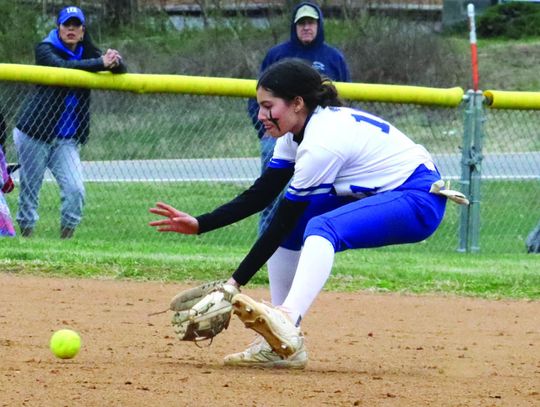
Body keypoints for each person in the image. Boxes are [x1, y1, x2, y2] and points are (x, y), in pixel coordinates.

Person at [149, 59, 462, 370]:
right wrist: (201, 223)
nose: (261, 115)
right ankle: (280, 343)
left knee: (320, 226)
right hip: (384, 193)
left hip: (418, 200)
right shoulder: (293, 134)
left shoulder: (321, 143)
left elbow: (279, 220)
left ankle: (285, 319)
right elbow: (262, 195)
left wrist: (232, 285)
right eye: (259, 106)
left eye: (268, 105)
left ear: (297, 103)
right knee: (300, 223)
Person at [13, 6, 127, 239]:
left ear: (83, 31)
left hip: (67, 139)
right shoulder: (45, 48)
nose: (71, 29)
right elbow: (62, 68)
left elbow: (118, 69)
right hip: (34, 134)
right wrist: (100, 63)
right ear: (59, 28)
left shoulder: (87, 51)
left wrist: (115, 60)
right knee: (30, 190)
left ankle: (66, 242)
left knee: (75, 190)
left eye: (76, 25)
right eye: (67, 25)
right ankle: (26, 240)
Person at [247, 1, 351, 235]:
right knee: (271, 197)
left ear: (319, 25)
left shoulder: (333, 57)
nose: (306, 27)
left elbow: (344, 97)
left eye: (311, 23)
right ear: (294, 26)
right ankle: (268, 251)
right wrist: (262, 128)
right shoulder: (278, 54)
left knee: (315, 199)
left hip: (322, 139)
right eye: (302, 23)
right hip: (277, 136)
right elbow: (259, 94)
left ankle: (308, 246)